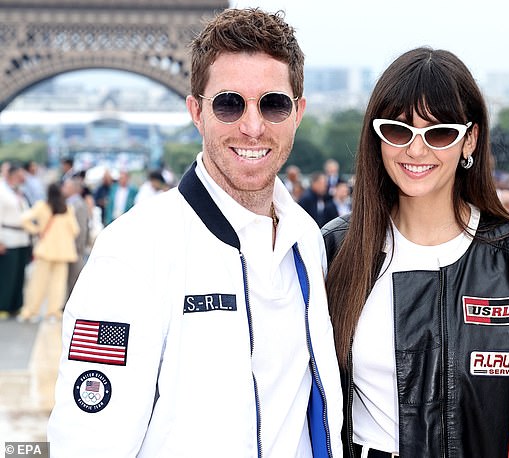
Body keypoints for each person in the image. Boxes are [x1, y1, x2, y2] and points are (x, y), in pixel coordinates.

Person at [48, 8, 343, 457]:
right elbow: (88, 443)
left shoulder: (306, 240)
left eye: (273, 103)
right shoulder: (131, 254)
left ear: (298, 112)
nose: (252, 126)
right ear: (196, 112)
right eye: (229, 103)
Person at [321, 47, 509, 457]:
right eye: (398, 130)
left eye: (439, 132)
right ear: (377, 136)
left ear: (470, 139)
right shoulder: (336, 248)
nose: (416, 149)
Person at [18, 183, 79, 322]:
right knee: (58, 284)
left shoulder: (42, 206)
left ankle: (31, 312)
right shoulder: (67, 209)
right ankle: (53, 312)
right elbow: (75, 230)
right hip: (63, 251)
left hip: (45, 249)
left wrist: (36, 230)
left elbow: (24, 219)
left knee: (37, 282)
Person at [0, 163, 32, 319]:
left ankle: (16, 305)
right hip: (8, 236)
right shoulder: (2, 190)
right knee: (7, 274)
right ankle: (3, 305)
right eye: (20, 175)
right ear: (12, 175)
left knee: (19, 274)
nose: (23, 178)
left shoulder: (19, 191)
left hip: (22, 238)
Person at [62, 177, 90, 299]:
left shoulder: (78, 204)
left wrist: (78, 247)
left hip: (75, 248)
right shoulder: (70, 203)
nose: (63, 189)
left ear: (74, 189)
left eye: (66, 187)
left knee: (74, 277)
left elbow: (82, 228)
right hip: (69, 247)